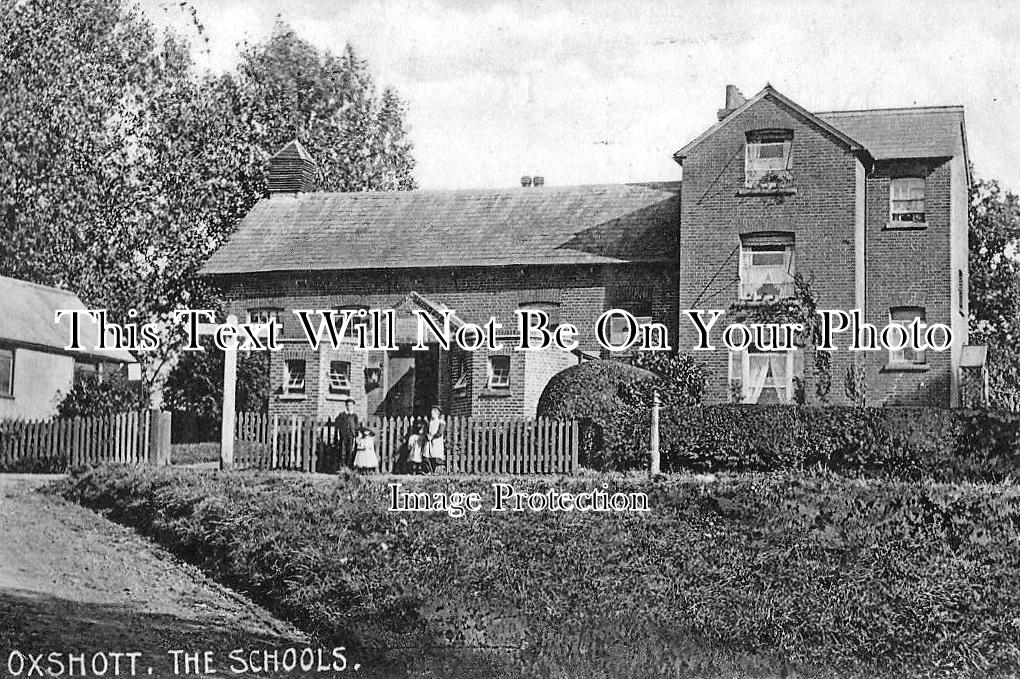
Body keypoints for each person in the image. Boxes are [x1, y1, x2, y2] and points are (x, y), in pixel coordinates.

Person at [334, 398, 359, 469]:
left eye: (350, 405)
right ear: (346, 406)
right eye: (348, 405)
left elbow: (357, 427)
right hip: (344, 435)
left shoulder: (354, 416)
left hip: (351, 435)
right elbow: (338, 424)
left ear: (353, 406)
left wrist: (357, 436)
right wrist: (340, 433)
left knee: (350, 450)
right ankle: (342, 466)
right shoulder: (342, 415)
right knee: (342, 451)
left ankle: (348, 466)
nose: (349, 407)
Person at [424, 406, 446, 473]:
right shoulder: (430, 422)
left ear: (437, 413)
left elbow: (439, 432)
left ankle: (436, 471)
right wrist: (427, 436)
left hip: (436, 441)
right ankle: (429, 471)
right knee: (427, 456)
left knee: (436, 456)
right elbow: (426, 430)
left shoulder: (441, 422)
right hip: (429, 441)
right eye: (432, 412)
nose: (432, 413)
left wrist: (432, 437)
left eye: (434, 412)